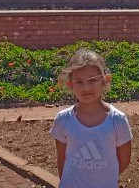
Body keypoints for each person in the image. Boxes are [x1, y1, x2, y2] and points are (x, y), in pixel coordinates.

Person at [51, 48, 132, 188]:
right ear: (70, 85)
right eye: (79, 82)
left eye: (92, 80)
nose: (86, 88)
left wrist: (103, 179)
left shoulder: (117, 120)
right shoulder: (63, 119)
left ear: (105, 80)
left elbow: (124, 160)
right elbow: (62, 158)